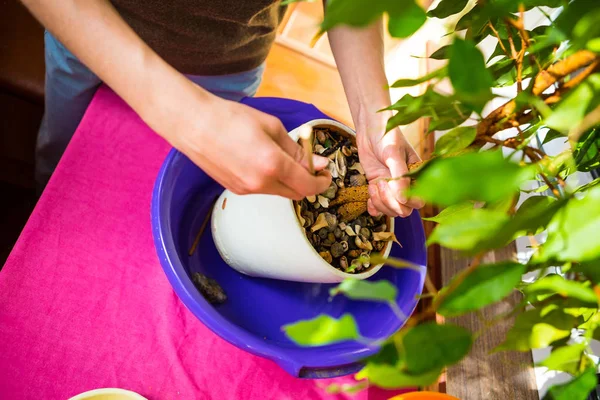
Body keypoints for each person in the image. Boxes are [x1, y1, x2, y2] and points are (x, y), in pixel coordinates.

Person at [22, 0, 424, 217]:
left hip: (232, 64)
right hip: (90, 43)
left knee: (175, 203)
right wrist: (189, 118)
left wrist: (375, 111)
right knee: (64, 176)